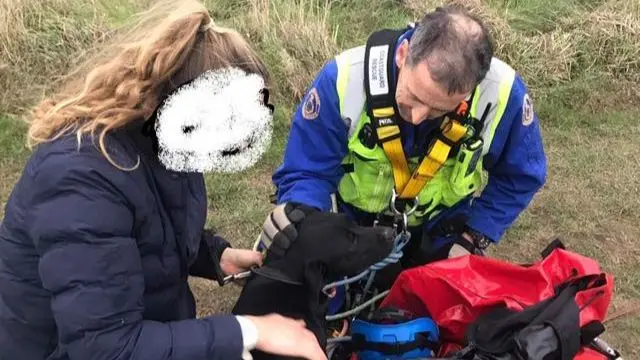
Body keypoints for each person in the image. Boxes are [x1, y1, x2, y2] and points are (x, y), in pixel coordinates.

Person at [0, 1, 327, 360]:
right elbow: (105, 347)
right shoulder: (78, 179)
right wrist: (249, 330)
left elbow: (151, 231)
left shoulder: (166, 150)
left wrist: (216, 257)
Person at [259, 6, 547, 272]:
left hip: (441, 230)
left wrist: (473, 235)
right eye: (415, 96)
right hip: (350, 227)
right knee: (307, 304)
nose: (418, 116)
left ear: (469, 91)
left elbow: (520, 176)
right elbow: (308, 169)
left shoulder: (502, 94)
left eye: (438, 109)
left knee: (448, 319)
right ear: (403, 54)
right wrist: (303, 214)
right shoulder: (344, 79)